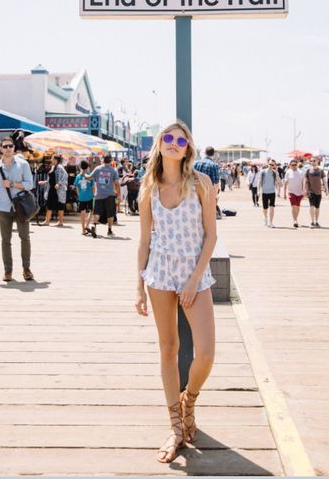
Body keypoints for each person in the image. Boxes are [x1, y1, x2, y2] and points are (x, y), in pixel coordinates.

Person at [135, 121, 216, 464]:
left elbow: (210, 235)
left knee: (206, 352)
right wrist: (138, 286)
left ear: (188, 148)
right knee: (168, 348)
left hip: (194, 276)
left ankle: (189, 401)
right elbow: (144, 240)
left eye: (180, 140)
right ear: (159, 145)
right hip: (158, 275)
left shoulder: (201, 183)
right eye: (167, 138)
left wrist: (194, 278)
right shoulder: (147, 188)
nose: (173, 143)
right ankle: (175, 426)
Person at [0, 137, 34, 282]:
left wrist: (12, 184)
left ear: (14, 148)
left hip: (21, 208)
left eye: (10, 146)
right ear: (0, 149)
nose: (8, 149)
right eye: (5, 146)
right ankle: (8, 270)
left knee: (25, 238)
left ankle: (26, 268)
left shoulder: (23, 164)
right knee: (5, 240)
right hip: (4, 208)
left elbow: (30, 184)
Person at [88, 154, 120, 237]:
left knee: (97, 212)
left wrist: (83, 174)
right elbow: (117, 184)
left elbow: (89, 177)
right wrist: (118, 194)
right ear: (111, 161)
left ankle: (94, 225)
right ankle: (109, 230)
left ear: (103, 160)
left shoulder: (98, 169)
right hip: (110, 195)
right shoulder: (113, 170)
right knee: (110, 213)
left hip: (99, 194)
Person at [39, 155, 68, 226]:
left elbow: (65, 176)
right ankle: (48, 221)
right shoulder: (53, 167)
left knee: (59, 205)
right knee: (50, 204)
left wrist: (59, 183)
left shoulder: (60, 167)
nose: (51, 159)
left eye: (52, 158)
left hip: (57, 189)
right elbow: (51, 179)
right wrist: (45, 182)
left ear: (55, 159)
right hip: (52, 189)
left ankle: (59, 222)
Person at [194, 147, 221, 219]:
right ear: (213, 154)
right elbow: (216, 183)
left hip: (195, 192)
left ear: (205, 153)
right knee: (207, 216)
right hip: (208, 193)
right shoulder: (214, 165)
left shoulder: (195, 163)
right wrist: (214, 197)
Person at [304, 157, 327, 227]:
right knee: (311, 206)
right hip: (311, 191)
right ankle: (312, 222)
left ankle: (316, 222)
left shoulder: (320, 170)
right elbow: (306, 181)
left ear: (317, 161)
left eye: (314, 161)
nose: (313, 162)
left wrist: (326, 190)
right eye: (311, 161)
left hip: (319, 192)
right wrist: (305, 190)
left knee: (317, 207)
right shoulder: (308, 171)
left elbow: (324, 181)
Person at [73, 160, 95, 234]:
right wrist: (94, 194)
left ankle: (83, 230)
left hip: (81, 197)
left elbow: (76, 187)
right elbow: (93, 187)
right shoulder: (90, 175)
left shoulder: (78, 176)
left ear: (80, 167)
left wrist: (79, 195)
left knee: (82, 212)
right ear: (88, 167)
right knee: (91, 211)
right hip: (90, 196)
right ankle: (87, 225)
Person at [283, 160, 305, 228]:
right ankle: (295, 220)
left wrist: (304, 191)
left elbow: (303, 182)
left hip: (299, 192)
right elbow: (285, 183)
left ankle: (296, 218)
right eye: (292, 165)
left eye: (295, 164)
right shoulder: (288, 172)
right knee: (294, 206)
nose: (294, 166)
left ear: (297, 164)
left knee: (298, 207)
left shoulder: (301, 172)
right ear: (290, 166)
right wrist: (284, 193)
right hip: (291, 192)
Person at [258, 160, 280, 228]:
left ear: (274, 166)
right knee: (265, 208)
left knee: (272, 207)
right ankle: (265, 218)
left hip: (272, 192)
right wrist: (258, 191)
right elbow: (259, 182)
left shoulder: (274, 173)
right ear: (268, 164)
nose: (271, 166)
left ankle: (271, 222)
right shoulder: (263, 172)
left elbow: (280, 183)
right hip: (264, 192)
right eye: (270, 164)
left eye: (272, 165)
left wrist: (277, 174)